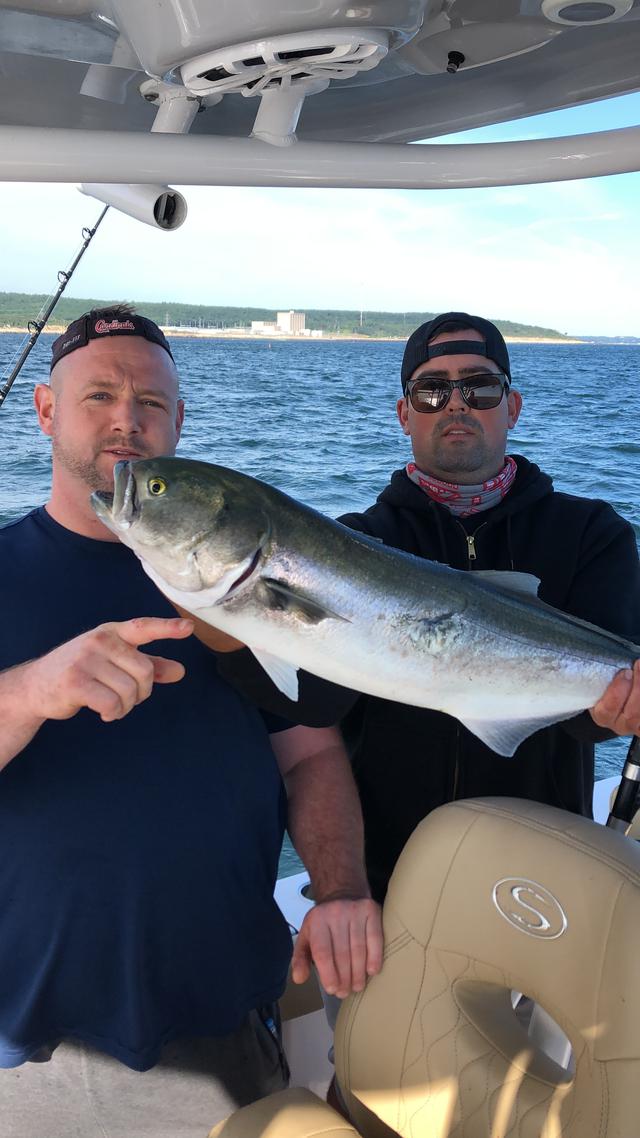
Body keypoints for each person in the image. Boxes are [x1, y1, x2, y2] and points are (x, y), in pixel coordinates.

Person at [0, 305, 382, 1137]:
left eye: (151, 403)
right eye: (98, 395)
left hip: (225, 1022)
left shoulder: (242, 578)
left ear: (181, 422)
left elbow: (311, 752)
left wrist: (342, 889)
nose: (125, 420)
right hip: (26, 1040)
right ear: (44, 410)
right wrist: (27, 691)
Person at [213, 311, 640, 906]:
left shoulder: (592, 533)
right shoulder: (350, 542)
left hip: (545, 873)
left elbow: (586, 715)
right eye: (432, 390)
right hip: (393, 877)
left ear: (512, 407)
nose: (456, 404)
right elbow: (319, 700)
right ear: (404, 413)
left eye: (479, 387)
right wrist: (226, 617)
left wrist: (619, 710)